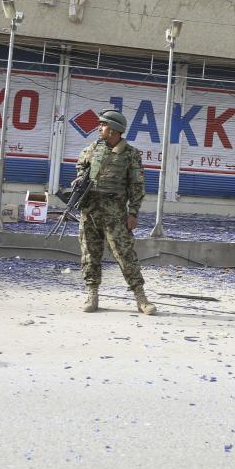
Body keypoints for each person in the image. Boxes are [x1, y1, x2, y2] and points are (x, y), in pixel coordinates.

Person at [75, 109, 156, 315]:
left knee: (125, 254)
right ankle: (92, 295)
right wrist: (80, 181)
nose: (99, 128)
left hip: (115, 213)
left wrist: (133, 213)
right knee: (90, 254)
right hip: (90, 211)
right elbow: (80, 168)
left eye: (102, 125)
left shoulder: (131, 155)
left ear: (113, 130)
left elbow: (137, 186)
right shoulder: (92, 149)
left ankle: (141, 298)